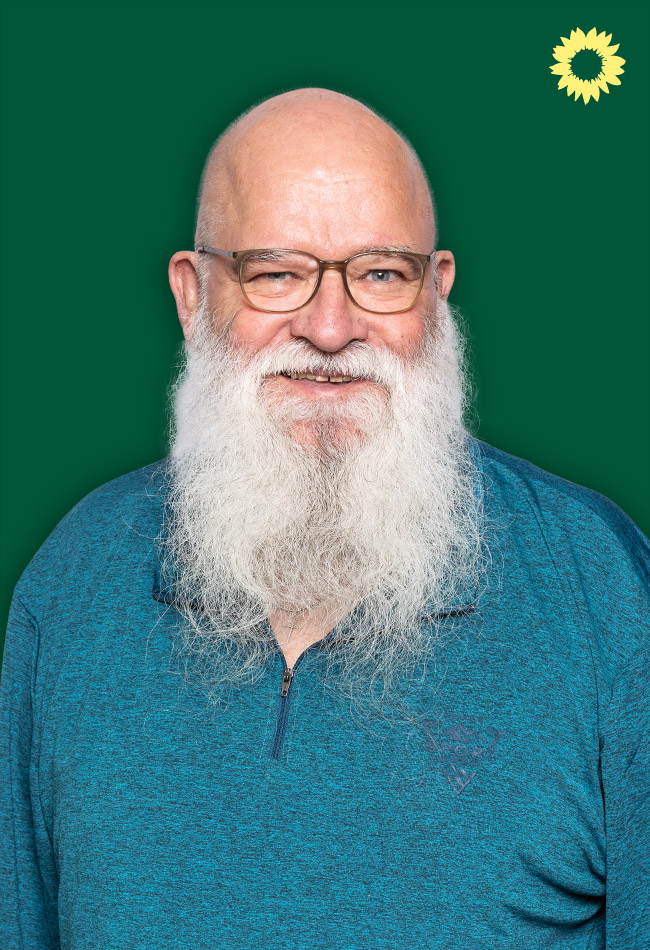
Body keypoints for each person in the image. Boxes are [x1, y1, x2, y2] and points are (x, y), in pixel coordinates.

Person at [1, 88, 648, 950]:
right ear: (193, 296)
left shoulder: (602, 592)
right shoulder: (72, 582)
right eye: (276, 273)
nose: (332, 327)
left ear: (435, 295)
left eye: (381, 274)